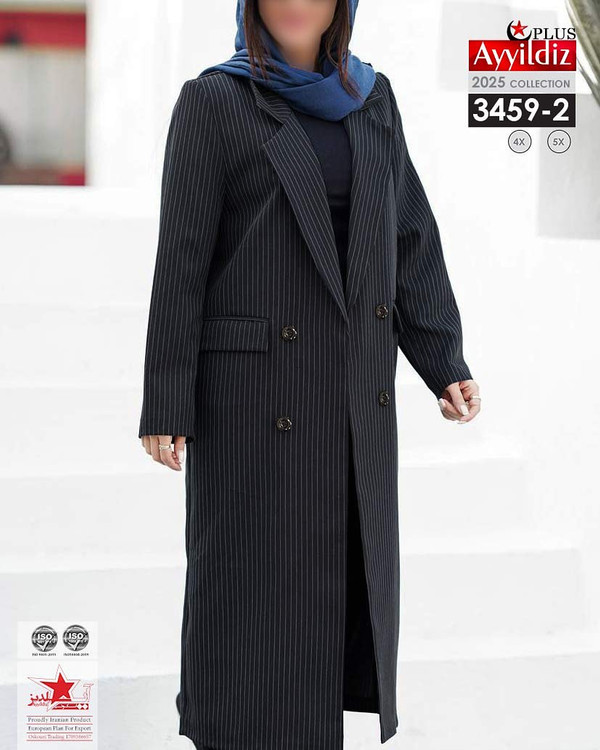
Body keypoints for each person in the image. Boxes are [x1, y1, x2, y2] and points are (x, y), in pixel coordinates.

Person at [138, 0, 481, 747]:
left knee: (334, 582)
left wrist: (442, 359)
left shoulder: (372, 98)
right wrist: (166, 399)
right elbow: (182, 257)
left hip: (351, 383)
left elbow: (409, 236)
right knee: (250, 592)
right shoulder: (214, 101)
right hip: (252, 392)